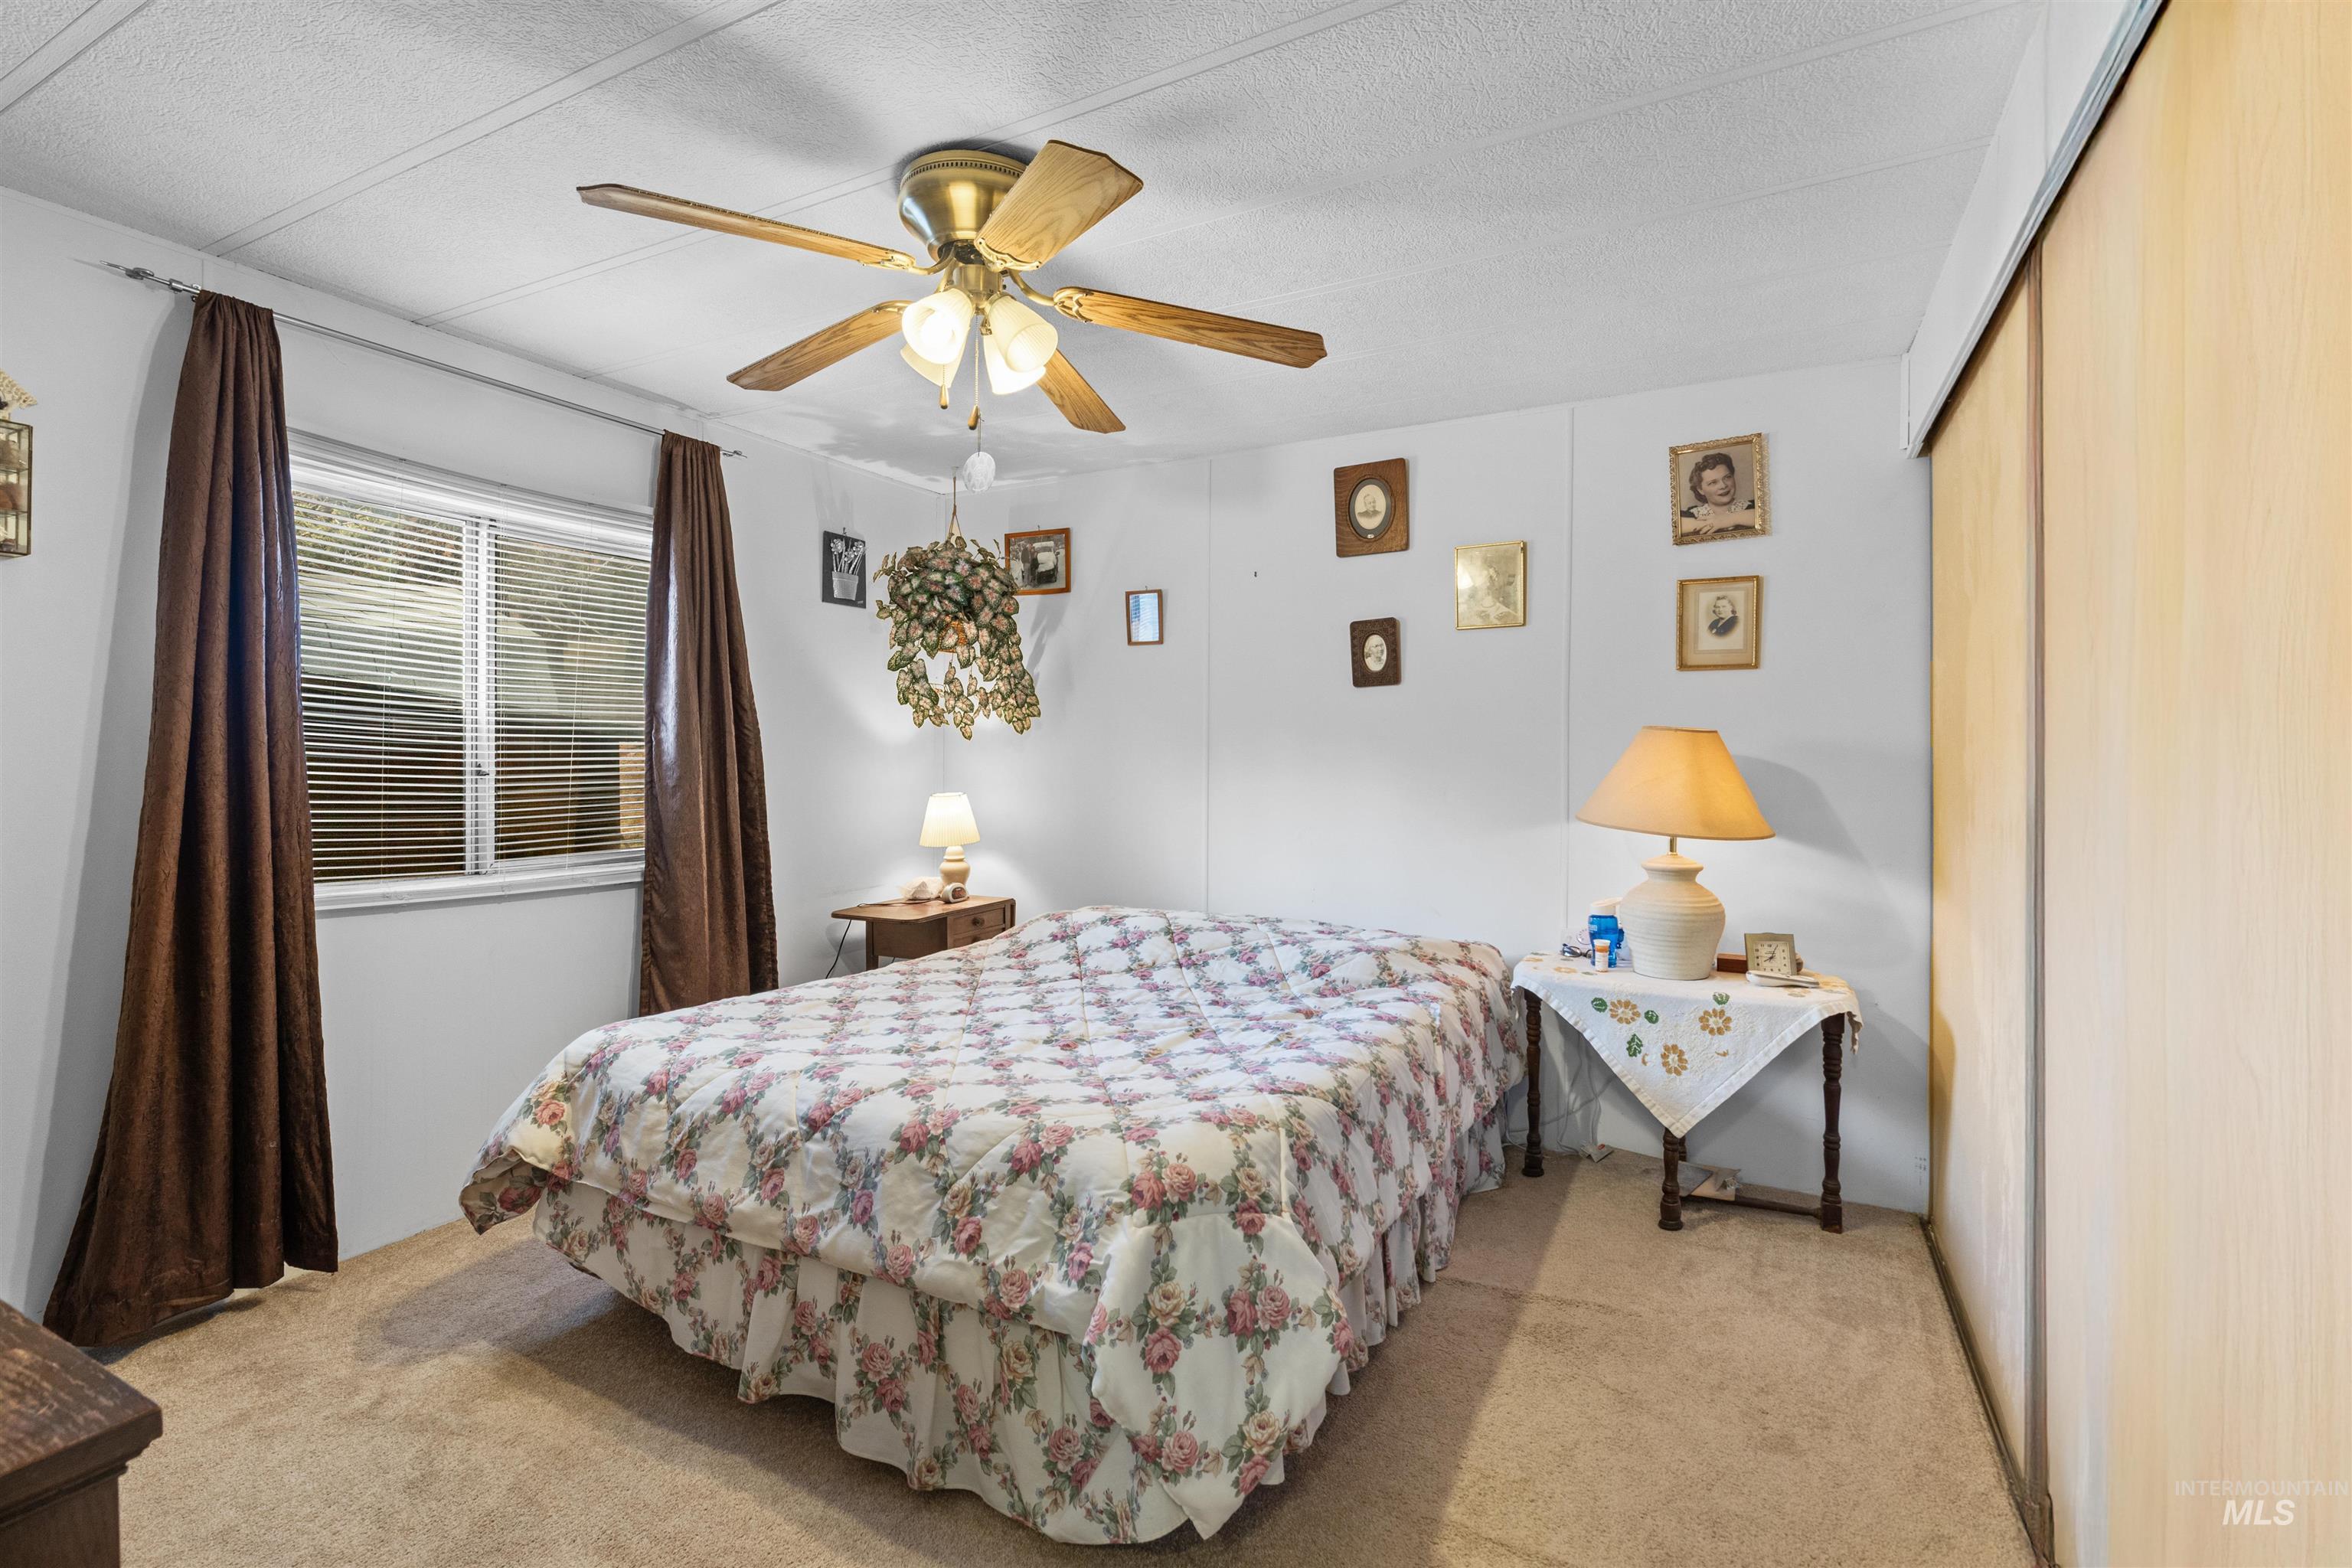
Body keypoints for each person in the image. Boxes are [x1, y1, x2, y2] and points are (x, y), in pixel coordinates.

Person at [1679, 451, 1755, 535]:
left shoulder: (1754, 506)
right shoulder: (1691, 515)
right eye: (1713, 483)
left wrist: (1729, 519)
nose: (1723, 486)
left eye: (1727, 477)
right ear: (1700, 490)